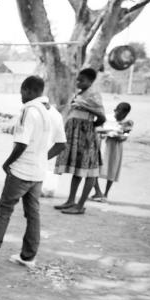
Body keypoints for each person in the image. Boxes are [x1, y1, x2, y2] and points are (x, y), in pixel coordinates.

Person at [0, 75, 66, 268]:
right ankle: (28, 256)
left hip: (21, 171)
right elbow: (61, 144)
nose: (21, 96)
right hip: (38, 173)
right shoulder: (54, 112)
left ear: (28, 91)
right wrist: (40, 158)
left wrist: (7, 164)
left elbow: (21, 143)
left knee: (4, 210)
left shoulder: (28, 110)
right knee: (33, 214)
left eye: (22, 91)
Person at [53, 67, 106, 214]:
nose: (78, 82)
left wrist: (89, 125)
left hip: (87, 136)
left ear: (90, 81)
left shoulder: (94, 95)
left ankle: (80, 205)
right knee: (78, 170)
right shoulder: (79, 94)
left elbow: (102, 117)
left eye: (81, 80)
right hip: (75, 135)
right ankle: (71, 201)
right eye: (78, 79)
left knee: (89, 171)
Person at [91, 102, 134, 202]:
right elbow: (97, 129)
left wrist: (121, 137)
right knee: (95, 168)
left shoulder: (128, 122)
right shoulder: (107, 118)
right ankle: (98, 191)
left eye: (123, 115)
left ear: (126, 114)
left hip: (116, 147)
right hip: (102, 144)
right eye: (119, 113)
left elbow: (126, 136)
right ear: (115, 110)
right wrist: (108, 131)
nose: (120, 116)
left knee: (112, 168)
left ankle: (105, 194)